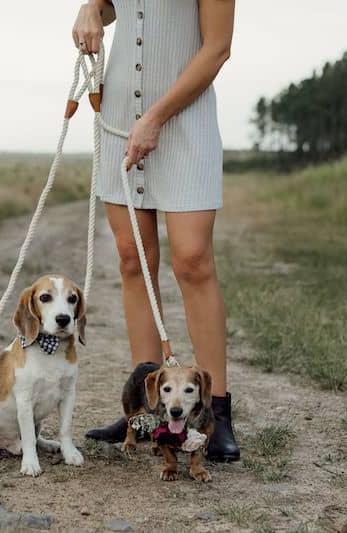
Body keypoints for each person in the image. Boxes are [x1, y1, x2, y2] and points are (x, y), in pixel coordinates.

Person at [73, 0, 239, 461]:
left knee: (193, 260)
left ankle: (215, 416)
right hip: (121, 116)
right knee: (133, 259)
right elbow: (108, 6)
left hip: (185, 120)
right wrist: (89, 10)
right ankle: (144, 415)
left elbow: (218, 48)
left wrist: (156, 117)